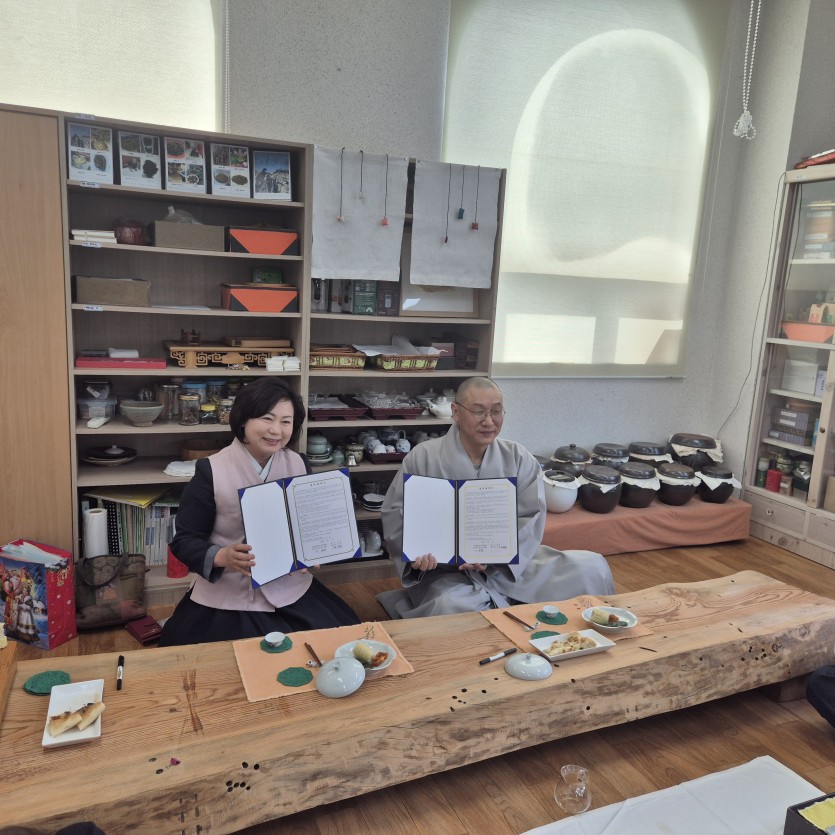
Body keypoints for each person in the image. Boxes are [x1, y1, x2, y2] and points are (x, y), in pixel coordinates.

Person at [380, 377, 614, 618]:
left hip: (506, 568)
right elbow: (396, 513)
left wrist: (495, 557)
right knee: (455, 607)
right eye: (478, 412)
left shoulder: (518, 457)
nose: (489, 421)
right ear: (456, 412)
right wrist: (417, 555)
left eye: (496, 411)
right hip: (444, 571)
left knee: (591, 568)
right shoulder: (422, 457)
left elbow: (531, 517)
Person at [159, 378, 360, 646]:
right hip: (230, 593)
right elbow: (184, 540)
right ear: (243, 419)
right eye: (267, 418)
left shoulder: (299, 463)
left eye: (286, 421)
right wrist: (223, 556)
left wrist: (314, 549)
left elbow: (307, 523)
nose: (276, 430)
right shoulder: (211, 470)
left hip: (290, 589)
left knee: (341, 646)